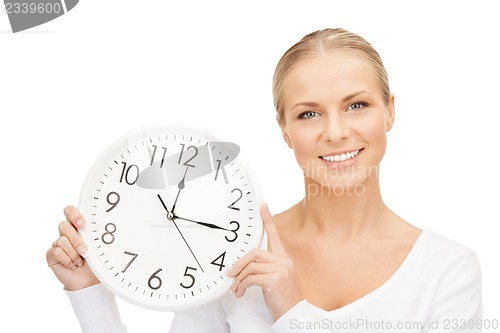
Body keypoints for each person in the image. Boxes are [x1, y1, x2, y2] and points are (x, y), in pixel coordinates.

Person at [46, 28, 482, 332]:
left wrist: (292, 312)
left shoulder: (447, 271)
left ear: (390, 111)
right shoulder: (229, 255)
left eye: (357, 105)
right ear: (285, 129)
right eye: (309, 113)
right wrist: (90, 291)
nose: (334, 131)